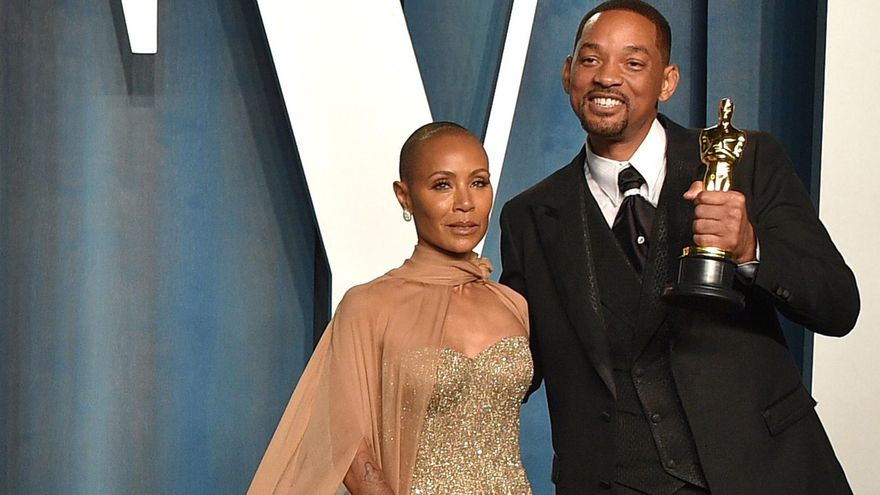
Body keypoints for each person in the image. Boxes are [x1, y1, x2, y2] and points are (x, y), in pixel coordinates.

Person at [498, 1, 859, 494]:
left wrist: (751, 247)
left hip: (768, 471)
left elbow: (838, 306)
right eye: (590, 59)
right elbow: (522, 362)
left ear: (667, 82)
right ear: (567, 74)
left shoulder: (748, 161)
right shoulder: (529, 216)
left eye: (633, 62)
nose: (607, 77)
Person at [249, 122, 534, 494]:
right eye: (442, 185)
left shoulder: (512, 304)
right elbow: (348, 444)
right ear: (405, 196)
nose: (465, 203)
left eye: (478, 182)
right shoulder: (368, 305)